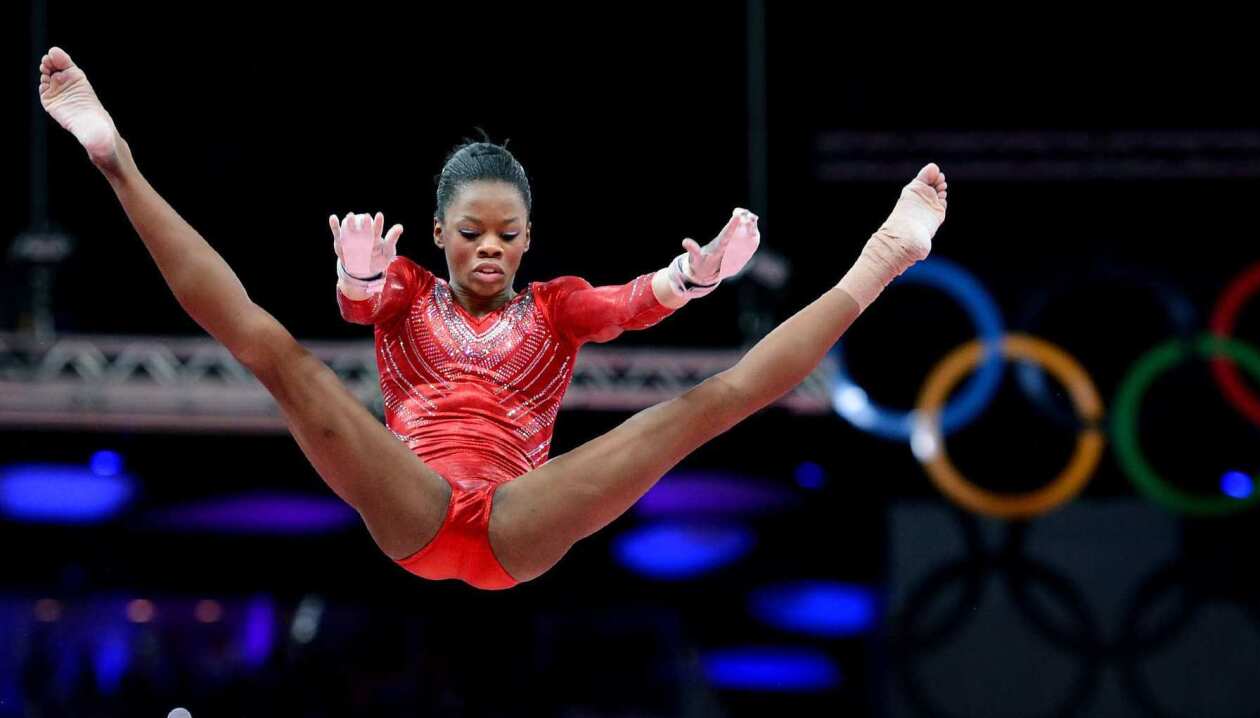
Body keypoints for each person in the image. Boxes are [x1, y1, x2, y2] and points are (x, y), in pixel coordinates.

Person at [38, 45, 948, 591]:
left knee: (705, 405)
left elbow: (630, 304)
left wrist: (690, 274)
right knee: (277, 354)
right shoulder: (405, 285)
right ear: (436, 232)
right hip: (417, 503)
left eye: (506, 235)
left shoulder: (555, 307)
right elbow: (361, 302)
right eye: (468, 232)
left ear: (527, 240)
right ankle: (116, 160)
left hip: (518, 517)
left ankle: (883, 258)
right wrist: (356, 279)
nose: (487, 249)